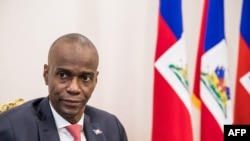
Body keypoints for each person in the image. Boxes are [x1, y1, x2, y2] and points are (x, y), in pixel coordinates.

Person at [0, 33, 128, 141]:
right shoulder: (11, 129)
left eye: (85, 78)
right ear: (46, 74)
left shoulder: (111, 127)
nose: (74, 88)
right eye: (63, 75)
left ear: (95, 80)